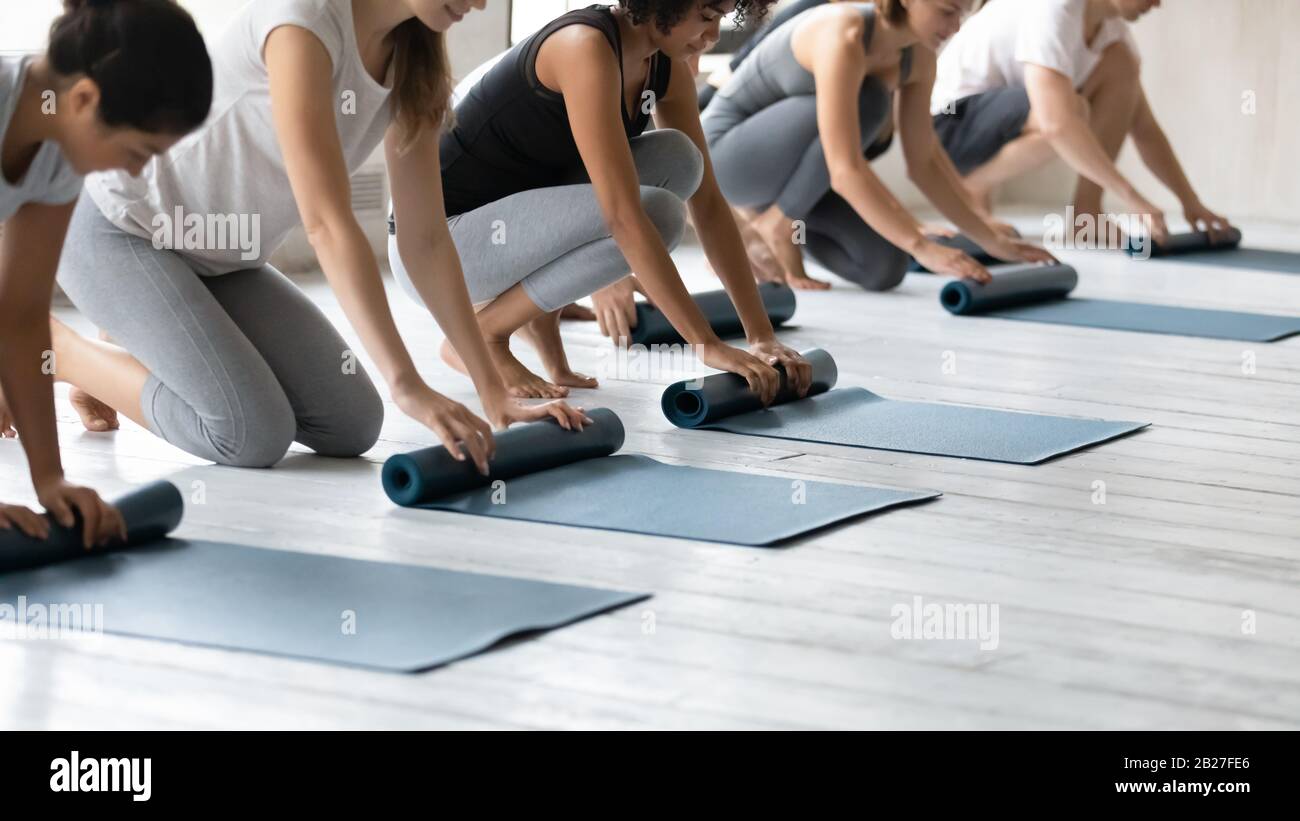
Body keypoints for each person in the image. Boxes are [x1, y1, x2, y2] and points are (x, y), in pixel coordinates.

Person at [52, 0, 588, 477]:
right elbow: (327, 223)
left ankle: (123, 348)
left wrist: (493, 391)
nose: (481, 2)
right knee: (247, 433)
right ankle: (58, 351)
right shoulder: (302, 21)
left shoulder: (415, 51)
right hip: (118, 226)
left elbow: (424, 237)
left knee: (349, 424)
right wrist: (405, 383)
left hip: (221, 257)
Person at [389, 1, 813, 401]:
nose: (712, 35)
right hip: (438, 247)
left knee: (680, 159)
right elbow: (622, 217)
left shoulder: (664, 67)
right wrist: (705, 344)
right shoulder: (584, 46)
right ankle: (484, 335)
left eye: (721, 17)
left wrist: (761, 335)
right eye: (705, 15)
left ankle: (525, 327)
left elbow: (709, 204)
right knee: (655, 214)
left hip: (508, 224)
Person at [0, 0, 213, 547]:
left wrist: (50, 480)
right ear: (85, 100)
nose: (138, 171)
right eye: (138, 151)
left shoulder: (57, 147)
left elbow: (21, 315)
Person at [704, 0, 1055, 292]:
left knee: (884, 268)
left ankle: (780, 222)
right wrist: (921, 245)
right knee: (871, 99)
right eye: (948, 11)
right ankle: (778, 224)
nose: (956, 27)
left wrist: (991, 241)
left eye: (962, 14)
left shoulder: (919, 58)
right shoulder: (843, 32)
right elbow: (844, 170)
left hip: (790, 177)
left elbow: (925, 163)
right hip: (726, 158)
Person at [930, 0, 1231, 244]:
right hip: (945, 128)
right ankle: (964, 189)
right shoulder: (1053, 8)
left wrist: (1190, 202)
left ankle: (1086, 215)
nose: (1158, 3)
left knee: (1120, 67)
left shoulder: (1111, 32)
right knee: (1068, 111)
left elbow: (1145, 130)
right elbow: (1055, 124)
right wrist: (1133, 199)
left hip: (993, 125)